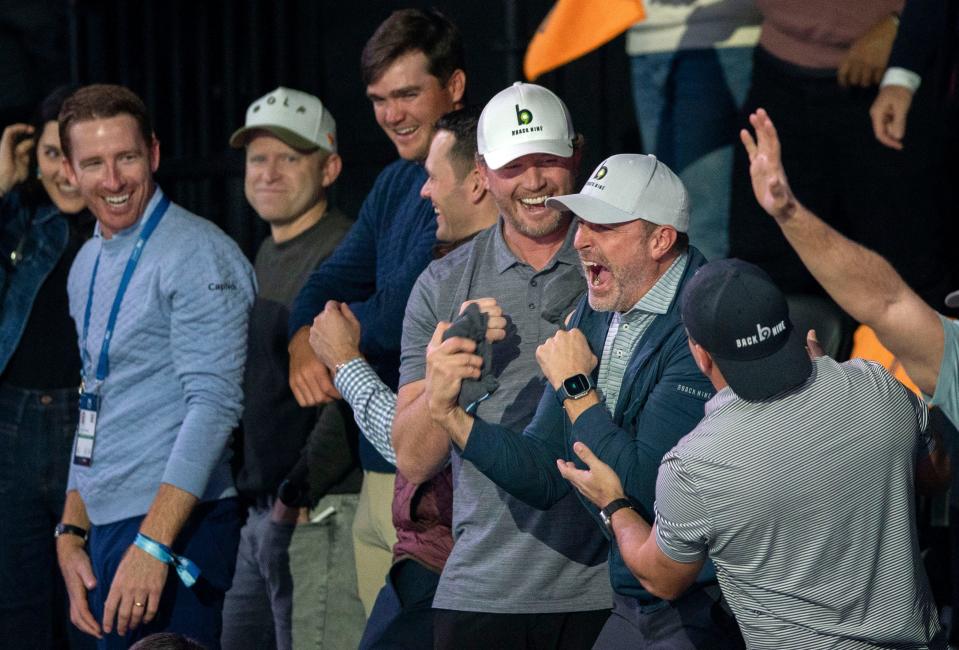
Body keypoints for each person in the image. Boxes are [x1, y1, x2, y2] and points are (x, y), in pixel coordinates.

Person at [424, 151, 743, 647]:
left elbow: (646, 492)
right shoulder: (601, 308)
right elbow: (544, 474)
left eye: (606, 226)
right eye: (583, 222)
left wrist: (577, 389)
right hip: (635, 598)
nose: (581, 240)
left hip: (705, 604)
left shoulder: (698, 323)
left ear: (660, 239)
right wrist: (449, 416)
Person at [556, 257, 946, 648]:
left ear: (700, 353)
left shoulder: (697, 464)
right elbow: (934, 475)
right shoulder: (876, 384)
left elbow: (662, 578)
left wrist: (614, 504)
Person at [393, 81, 612, 650]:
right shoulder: (441, 286)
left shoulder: (622, 260)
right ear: (484, 174)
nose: (535, 181)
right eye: (516, 165)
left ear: (577, 157)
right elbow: (414, 462)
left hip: (612, 594)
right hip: (483, 595)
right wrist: (446, 386)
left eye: (548, 161)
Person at [54, 84, 255, 649]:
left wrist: (153, 544)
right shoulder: (87, 261)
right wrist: (71, 529)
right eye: (93, 163)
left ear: (155, 155)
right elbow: (95, 397)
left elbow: (214, 405)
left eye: (127, 158)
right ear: (70, 170)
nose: (113, 180)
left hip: (174, 531)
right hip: (107, 531)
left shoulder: (196, 251)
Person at [285, 8, 465, 616]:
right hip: (378, 462)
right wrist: (304, 340)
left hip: (435, 478)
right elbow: (329, 279)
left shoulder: (470, 181)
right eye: (379, 98)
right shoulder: (394, 181)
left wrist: (337, 335)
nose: (391, 114)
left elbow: (407, 309)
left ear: (455, 88)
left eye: (408, 93)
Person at [308, 107, 498, 649]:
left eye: (434, 177)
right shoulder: (447, 273)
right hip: (427, 548)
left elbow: (417, 446)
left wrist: (345, 362)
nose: (423, 193)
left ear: (479, 182)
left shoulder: (475, 297)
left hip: (454, 563)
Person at [220, 86, 362, 650]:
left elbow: (351, 389)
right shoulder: (264, 253)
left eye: (289, 157)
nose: (269, 172)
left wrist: (299, 491)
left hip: (316, 512)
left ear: (329, 168)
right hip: (266, 513)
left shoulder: (343, 252)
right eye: (258, 157)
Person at [727, 2, 951, 309]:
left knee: (908, 273)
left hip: (888, 80)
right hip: (777, 73)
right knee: (766, 271)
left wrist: (902, 31)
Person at [0, 85, 94, 649]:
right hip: (10, 423)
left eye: (74, 153)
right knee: (17, 609)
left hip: (85, 424)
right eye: (52, 153)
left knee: (84, 601)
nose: (65, 171)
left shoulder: (119, 231)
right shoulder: (19, 225)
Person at [626, 0, 760, 260]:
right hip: (644, 35)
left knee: (700, 212)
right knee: (658, 207)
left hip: (715, 35)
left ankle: (705, 298)